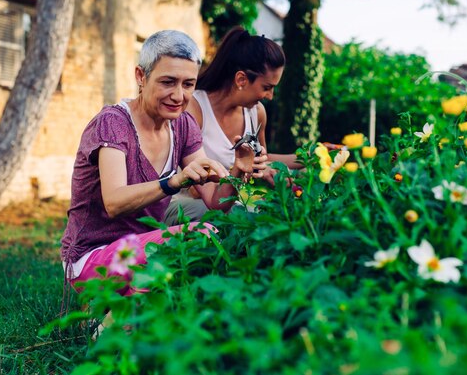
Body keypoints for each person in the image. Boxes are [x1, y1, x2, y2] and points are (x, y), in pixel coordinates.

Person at [60, 30, 265, 295]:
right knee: (198, 236)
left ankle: (128, 309)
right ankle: (109, 316)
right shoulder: (113, 123)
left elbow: (215, 201)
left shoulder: (182, 125)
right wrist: (173, 181)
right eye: (168, 82)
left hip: (143, 248)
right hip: (93, 259)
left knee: (234, 222)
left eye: (188, 84)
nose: (179, 96)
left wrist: (238, 170)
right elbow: (114, 202)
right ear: (141, 77)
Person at [163, 26, 302, 225]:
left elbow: (261, 160)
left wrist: (308, 158)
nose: (270, 96)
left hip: (227, 202)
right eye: (267, 87)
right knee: (246, 219)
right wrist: (244, 171)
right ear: (241, 79)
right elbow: (196, 187)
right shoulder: (194, 109)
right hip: (187, 203)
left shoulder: (256, 113)